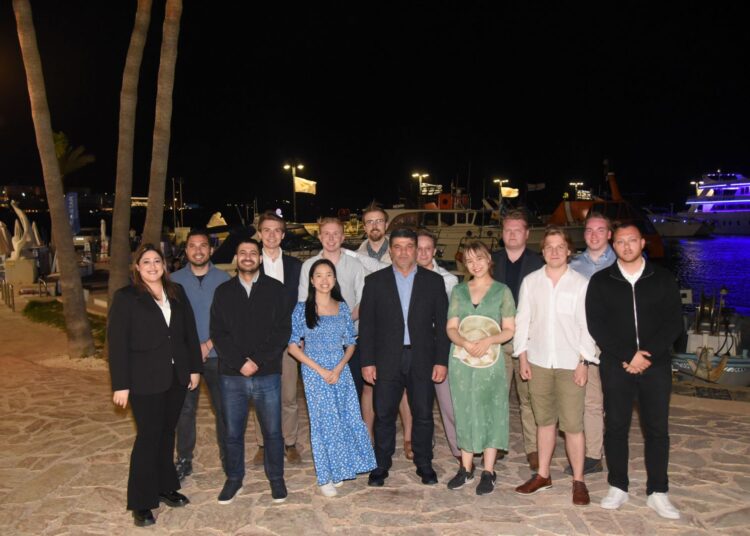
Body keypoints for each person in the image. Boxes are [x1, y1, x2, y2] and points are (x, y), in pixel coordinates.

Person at [586, 223, 684, 519]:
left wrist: (647, 355)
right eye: (620, 241)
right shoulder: (601, 281)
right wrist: (628, 355)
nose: (626, 246)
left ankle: (658, 491)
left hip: (656, 366)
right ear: (613, 245)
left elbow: (674, 323)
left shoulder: (663, 278)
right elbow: (596, 325)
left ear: (643, 243)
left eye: (632, 240)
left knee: (657, 429)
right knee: (616, 427)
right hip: (617, 365)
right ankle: (618, 486)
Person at [108, 243, 202, 527]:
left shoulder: (176, 292)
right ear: (137, 267)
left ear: (164, 265)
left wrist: (194, 368)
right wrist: (121, 384)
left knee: (166, 434)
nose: (152, 266)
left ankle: (164, 486)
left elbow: (189, 332)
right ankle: (141, 501)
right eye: (146, 262)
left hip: (176, 377)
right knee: (148, 438)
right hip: (144, 380)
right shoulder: (126, 297)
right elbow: (117, 344)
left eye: (157, 261)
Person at [359, 228, 450, 487]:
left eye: (409, 246)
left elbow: (442, 325)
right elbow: (367, 326)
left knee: (423, 413)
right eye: (397, 247)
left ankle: (424, 463)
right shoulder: (375, 282)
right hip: (386, 358)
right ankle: (381, 464)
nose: (403, 252)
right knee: (384, 413)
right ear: (391, 251)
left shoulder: (433, 282)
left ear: (415, 249)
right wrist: (367, 362)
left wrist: (441, 360)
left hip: (422, 358)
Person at [513, 227, 597, 506]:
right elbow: (523, 321)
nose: (555, 251)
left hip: (570, 363)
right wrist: (522, 357)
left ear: (569, 250)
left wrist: (584, 361)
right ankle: (543, 475)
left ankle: (579, 481)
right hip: (538, 362)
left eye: (560, 246)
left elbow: (587, 326)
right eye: (549, 246)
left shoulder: (580, 284)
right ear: (543, 251)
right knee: (544, 422)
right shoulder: (531, 282)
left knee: (573, 425)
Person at [210, 238, 292, 505]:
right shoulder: (223, 292)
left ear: (260, 258)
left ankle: (276, 478)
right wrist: (240, 363)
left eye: (253, 253)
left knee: (273, 432)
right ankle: (234, 479)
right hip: (231, 376)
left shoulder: (276, 290)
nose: (248, 257)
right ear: (237, 258)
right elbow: (218, 333)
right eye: (243, 252)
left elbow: (282, 331)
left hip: (267, 373)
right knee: (232, 433)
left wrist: (256, 361)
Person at [287, 259, 376, 496]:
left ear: (335, 279)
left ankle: (340, 468)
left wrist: (339, 367)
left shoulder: (342, 307)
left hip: (340, 371)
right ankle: (324, 476)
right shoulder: (302, 309)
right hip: (314, 373)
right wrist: (320, 370)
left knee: (345, 418)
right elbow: (293, 347)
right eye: (319, 275)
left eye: (329, 275)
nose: (324, 280)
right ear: (312, 280)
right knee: (323, 424)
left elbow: (350, 343)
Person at [445, 241, 516, 495]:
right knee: (463, 409)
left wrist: (488, 341)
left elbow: (509, 329)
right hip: (461, 361)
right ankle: (466, 468)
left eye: (479, 258)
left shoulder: (502, 291)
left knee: (491, 410)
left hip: (491, 360)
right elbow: (451, 327)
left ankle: (488, 470)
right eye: (469, 260)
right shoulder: (459, 291)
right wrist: (464, 342)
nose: (475, 264)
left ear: (489, 259)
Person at [353, 203, 414, 461]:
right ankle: (368, 437)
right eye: (370, 222)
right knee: (369, 386)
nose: (375, 226)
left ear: (386, 224)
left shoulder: (401, 250)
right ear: (364, 226)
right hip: (368, 331)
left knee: (404, 388)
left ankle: (409, 438)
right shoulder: (355, 257)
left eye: (379, 221)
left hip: (399, 333)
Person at [171, 229, 231, 481]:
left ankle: (229, 457)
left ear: (211, 249)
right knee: (184, 411)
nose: (198, 250)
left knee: (224, 410)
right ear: (186, 251)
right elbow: (170, 321)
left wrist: (208, 344)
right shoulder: (172, 281)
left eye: (203, 245)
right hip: (186, 359)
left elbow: (230, 319)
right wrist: (192, 347)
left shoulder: (224, 279)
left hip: (218, 356)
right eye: (193, 246)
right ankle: (184, 459)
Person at [490, 209, 544, 471]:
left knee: (528, 398)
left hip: (529, 341)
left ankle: (533, 448)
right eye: (507, 230)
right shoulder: (491, 260)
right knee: (497, 396)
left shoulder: (540, 262)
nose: (512, 234)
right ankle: (497, 444)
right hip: (498, 339)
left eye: (517, 230)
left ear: (527, 233)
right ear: (502, 234)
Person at [251, 212, 303, 467]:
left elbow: (302, 303)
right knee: (261, 395)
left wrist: (300, 334)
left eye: (276, 230)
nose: (271, 235)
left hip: (288, 341)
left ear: (283, 235)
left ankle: (290, 442)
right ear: (260, 234)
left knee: (289, 395)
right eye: (266, 230)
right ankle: (263, 444)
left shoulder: (295, 266)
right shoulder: (250, 262)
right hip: (259, 343)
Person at [565, 212, 616, 476]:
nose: (594, 235)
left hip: (616, 340)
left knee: (616, 399)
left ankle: (614, 449)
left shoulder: (621, 262)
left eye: (600, 230)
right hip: (585, 340)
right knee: (590, 400)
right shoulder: (573, 265)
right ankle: (593, 455)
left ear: (609, 234)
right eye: (589, 230)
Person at [298, 217, 366, 395]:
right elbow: (304, 303)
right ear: (319, 237)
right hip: (317, 346)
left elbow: (363, 301)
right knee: (322, 397)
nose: (331, 238)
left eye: (336, 234)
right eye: (326, 234)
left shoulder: (355, 265)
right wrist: (302, 340)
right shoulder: (308, 266)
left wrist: (342, 323)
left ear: (343, 237)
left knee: (352, 394)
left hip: (350, 343)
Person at [415, 230, 461, 462]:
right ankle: (424, 443)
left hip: (440, 344)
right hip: (415, 346)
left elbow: (451, 319)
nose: (423, 253)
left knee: (448, 402)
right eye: (418, 248)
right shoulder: (405, 277)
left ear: (434, 251)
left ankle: (459, 448)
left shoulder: (449, 280)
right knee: (419, 402)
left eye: (428, 248)